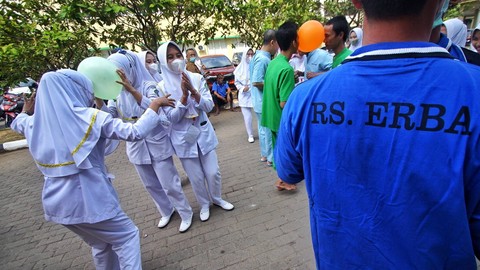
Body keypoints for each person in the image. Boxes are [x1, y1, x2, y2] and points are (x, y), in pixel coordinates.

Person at [275, 0, 480, 268]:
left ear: (356, 1)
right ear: (443, 3)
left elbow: (288, 171)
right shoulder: (473, 91)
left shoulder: (304, 98)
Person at [11, 69, 173, 269]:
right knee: (127, 237)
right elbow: (135, 132)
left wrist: (26, 110)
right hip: (90, 198)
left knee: (100, 244)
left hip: (57, 203)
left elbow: (18, 123)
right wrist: (154, 105)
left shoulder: (34, 122)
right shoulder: (89, 117)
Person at [103, 50, 194, 233]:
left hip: (156, 141)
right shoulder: (115, 93)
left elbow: (156, 108)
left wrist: (132, 90)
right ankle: (166, 211)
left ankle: (186, 212)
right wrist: (99, 99)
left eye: (120, 70)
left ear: (129, 68)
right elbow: (109, 115)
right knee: (150, 184)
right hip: (136, 145)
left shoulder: (148, 86)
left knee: (169, 183)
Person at [157, 41, 234, 222]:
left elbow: (207, 106)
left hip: (202, 129)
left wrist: (193, 91)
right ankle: (204, 204)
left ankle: (217, 198)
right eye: (170, 57)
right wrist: (183, 97)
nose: (176, 60)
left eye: (178, 55)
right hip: (183, 136)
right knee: (196, 176)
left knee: (213, 171)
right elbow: (171, 118)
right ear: (163, 61)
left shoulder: (197, 78)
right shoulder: (161, 87)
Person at [261, 21, 299, 191]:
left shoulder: (274, 62)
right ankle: (284, 179)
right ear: (293, 42)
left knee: (278, 149)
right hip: (280, 117)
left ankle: (281, 179)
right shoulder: (286, 69)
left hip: (269, 114)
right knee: (284, 151)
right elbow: (285, 102)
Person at [250, 29, 279, 166]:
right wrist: (273, 85)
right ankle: (270, 157)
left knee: (263, 129)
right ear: (272, 42)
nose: (278, 47)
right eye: (278, 44)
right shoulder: (263, 59)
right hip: (263, 101)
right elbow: (256, 81)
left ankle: (264, 155)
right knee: (268, 130)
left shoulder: (258, 56)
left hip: (258, 101)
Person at [234, 47, 255, 143]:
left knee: (259, 114)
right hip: (244, 95)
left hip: (254, 93)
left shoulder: (255, 66)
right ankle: (250, 134)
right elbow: (236, 83)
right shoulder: (238, 69)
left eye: (252, 54)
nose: (250, 56)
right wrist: (242, 88)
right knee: (247, 117)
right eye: (248, 54)